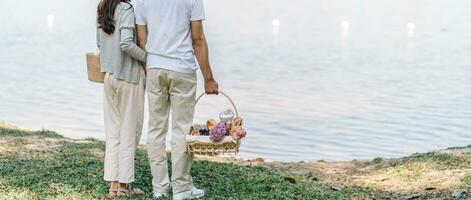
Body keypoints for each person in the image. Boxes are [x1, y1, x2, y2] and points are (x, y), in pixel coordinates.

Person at [134, 0, 219, 199]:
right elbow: (198, 39)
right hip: (182, 69)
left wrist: (151, 66)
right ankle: (181, 189)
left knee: (156, 129)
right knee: (182, 129)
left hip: (155, 67)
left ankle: (160, 188)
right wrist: (209, 78)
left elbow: (141, 39)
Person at [96, 0, 146, 197]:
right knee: (130, 131)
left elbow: (100, 43)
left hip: (109, 77)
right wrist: (147, 57)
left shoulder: (102, 7)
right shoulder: (126, 9)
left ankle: (114, 186)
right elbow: (126, 43)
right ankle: (124, 186)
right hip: (128, 77)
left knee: (113, 132)